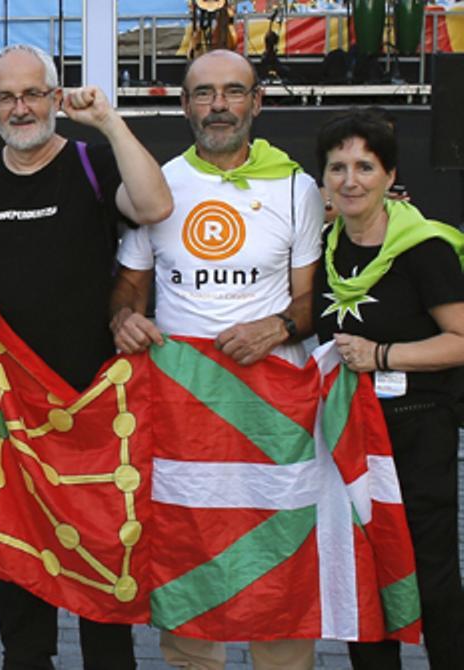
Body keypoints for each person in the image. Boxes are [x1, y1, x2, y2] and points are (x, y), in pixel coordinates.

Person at [0, 44, 173, 670]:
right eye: (8, 97)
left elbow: (154, 206)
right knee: (17, 560)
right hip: (9, 412)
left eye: (34, 94)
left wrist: (109, 120)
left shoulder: (93, 165)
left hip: (92, 406)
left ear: (54, 97)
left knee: (104, 557)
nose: (22, 108)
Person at [109, 49, 323, 669]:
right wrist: (124, 319)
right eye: (203, 94)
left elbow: (312, 300)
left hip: (273, 405)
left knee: (278, 548)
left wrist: (278, 326)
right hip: (182, 406)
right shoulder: (157, 184)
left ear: (257, 102)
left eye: (233, 92)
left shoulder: (296, 186)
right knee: (185, 547)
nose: (219, 106)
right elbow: (130, 285)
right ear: (184, 105)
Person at [313, 110, 464, 669]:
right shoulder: (327, 249)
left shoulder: (424, 249)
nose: (350, 180)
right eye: (337, 167)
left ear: (388, 174)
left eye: (364, 166)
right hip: (352, 438)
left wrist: (381, 356)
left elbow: (461, 339)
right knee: (360, 573)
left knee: (434, 575)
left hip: (419, 429)